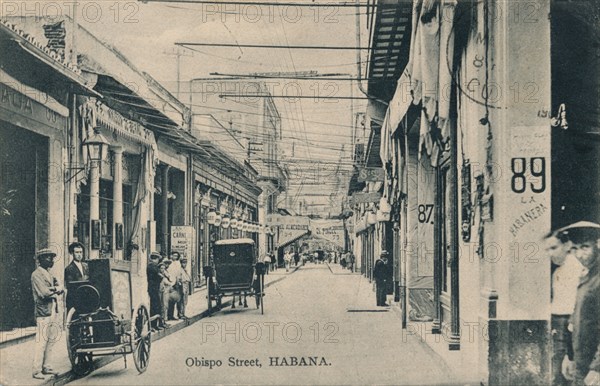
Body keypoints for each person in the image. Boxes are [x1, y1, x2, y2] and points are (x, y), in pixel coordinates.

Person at [560, 221, 600, 386]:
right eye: (575, 249)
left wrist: (597, 368)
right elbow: (574, 321)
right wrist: (569, 356)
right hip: (581, 364)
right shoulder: (586, 276)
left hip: (593, 367)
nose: (580, 255)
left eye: (585, 247)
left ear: (597, 245)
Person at [544, 232, 584, 386]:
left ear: (567, 246)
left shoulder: (574, 267)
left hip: (569, 324)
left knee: (565, 371)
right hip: (558, 323)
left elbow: (577, 301)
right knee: (558, 371)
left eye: (554, 247)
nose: (550, 253)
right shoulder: (559, 270)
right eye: (547, 249)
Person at [31, 248, 63, 379]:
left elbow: (61, 286)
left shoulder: (49, 274)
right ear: (40, 260)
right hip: (43, 311)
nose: (51, 260)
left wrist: (55, 289)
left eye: (52, 257)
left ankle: (47, 366)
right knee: (41, 341)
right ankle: (36, 370)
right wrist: (56, 290)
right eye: (48, 257)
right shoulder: (36, 274)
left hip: (52, 310)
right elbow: (44, 293)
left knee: (51, 340)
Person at [64, 242, 88, 312]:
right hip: (74, 299)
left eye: (81, 252)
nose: (79, 255)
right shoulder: (69, 269)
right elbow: (71, 285)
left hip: (85, 298)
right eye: (77, 252)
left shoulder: (86, 266)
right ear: (72, 253)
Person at [146, 252, 162, 330]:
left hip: (154, 288)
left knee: (156, 306)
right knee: (155, 306)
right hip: (153, 288)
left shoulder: (152, 266)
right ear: (155, 259)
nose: (158, 261)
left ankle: (155, 324)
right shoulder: (152, 266)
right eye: (158, 259)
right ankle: (153, 325)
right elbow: (159, 276)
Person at [159, 259, 174, 328]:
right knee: (163, 306)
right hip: (163, 291)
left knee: (165, 306)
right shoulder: (161, 275)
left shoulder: (166, 272)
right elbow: (166, 282)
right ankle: (162, 321)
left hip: (166, 291)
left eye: (167, 264)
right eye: (161, 268)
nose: (163, 269)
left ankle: (164, 321)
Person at [167, 252, 182, 320]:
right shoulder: (168, 263)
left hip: (176, 282)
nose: (175, 257)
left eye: (176, 256)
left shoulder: (178, 263)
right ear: (171, 256)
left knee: (174, 299)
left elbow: (178, 273)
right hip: (170, 282)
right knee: (169, 300)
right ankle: (168, 315)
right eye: (174, 255)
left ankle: (172, 315)